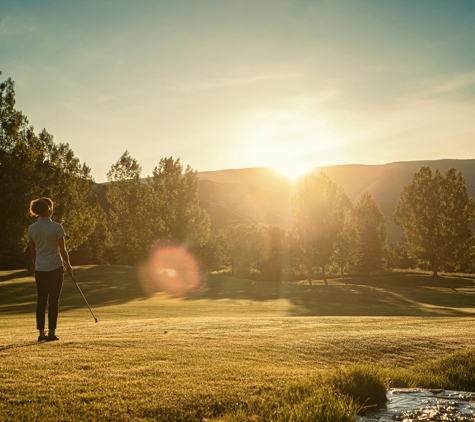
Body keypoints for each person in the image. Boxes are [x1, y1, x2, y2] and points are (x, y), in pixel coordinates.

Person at [28, 197, 73, 342]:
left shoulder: (32, 228)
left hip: (40, 267)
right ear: (48, 210)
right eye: (51, 207)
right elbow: (63, 250)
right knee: (54, 301)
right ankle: (51, 333)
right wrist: (68, 265)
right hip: (55, 267)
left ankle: (41, 334)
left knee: (41, 300)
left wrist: (36, 265)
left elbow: (33, 252)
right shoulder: (57, 227)